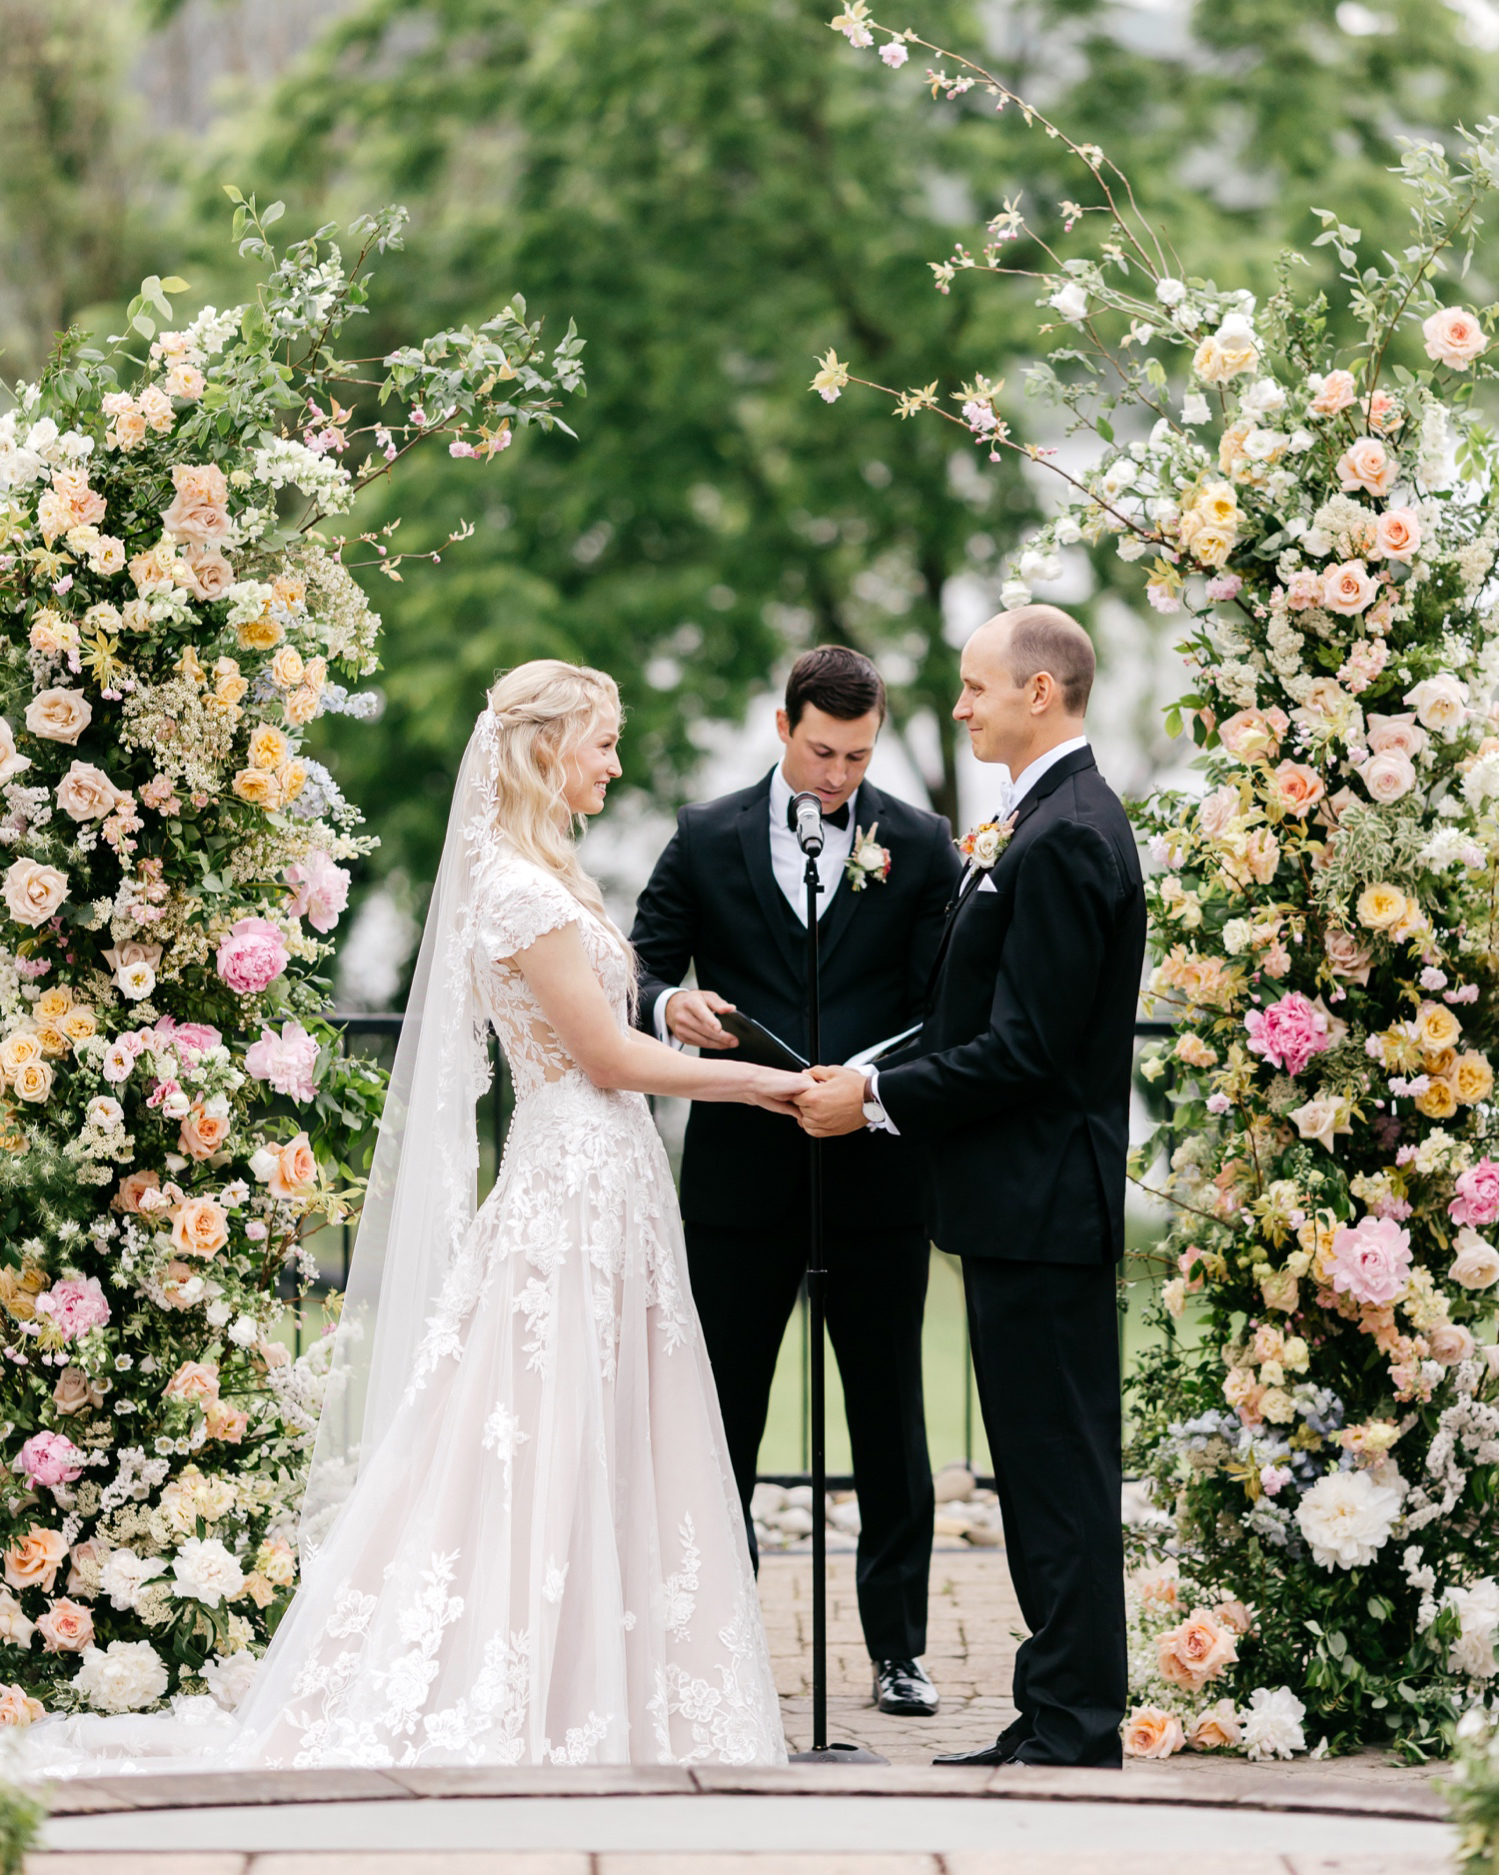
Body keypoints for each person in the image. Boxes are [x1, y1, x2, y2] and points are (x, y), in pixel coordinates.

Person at [31, 662, 802, 1773]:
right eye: (601, 744)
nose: (615, 764)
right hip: (571, 1188)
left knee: (603, 1432)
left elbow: (596, 1012)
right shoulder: (517, 888)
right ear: (544, 750)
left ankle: (614, 1684)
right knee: (541, 1440)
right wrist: (771, 1087)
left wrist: (665, 1001)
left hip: (610, 1178)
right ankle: (527, 1691)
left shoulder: (549, 871)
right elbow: (598, 1055)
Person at [796, 607, 1146, 1768]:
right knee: (1041, 1468)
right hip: (1014, 1207)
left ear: (1040, 693)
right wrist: (875, 1066)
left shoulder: (1068, 837)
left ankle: (1078, 1722)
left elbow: (1029, 1048)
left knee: (1059, 1470)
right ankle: (1055, 1708)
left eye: (975, 688)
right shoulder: (1031, 823)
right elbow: (967, 1017)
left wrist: (878, 1102)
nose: (959, 708)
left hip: (1045, 1205)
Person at [630, 646, 963, 1719]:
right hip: (739, 1176)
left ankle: (900, 1650)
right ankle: (713, 1642)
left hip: (873, 1168)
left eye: (859, 757)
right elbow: (638, 962)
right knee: (721, 1409)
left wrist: (863, 1087)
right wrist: (662, 1007)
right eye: (823, 751)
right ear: (783, 728)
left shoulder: (917, 844)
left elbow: (944, 1003)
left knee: (889, 1415)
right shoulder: (703, 834)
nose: (838, 777)